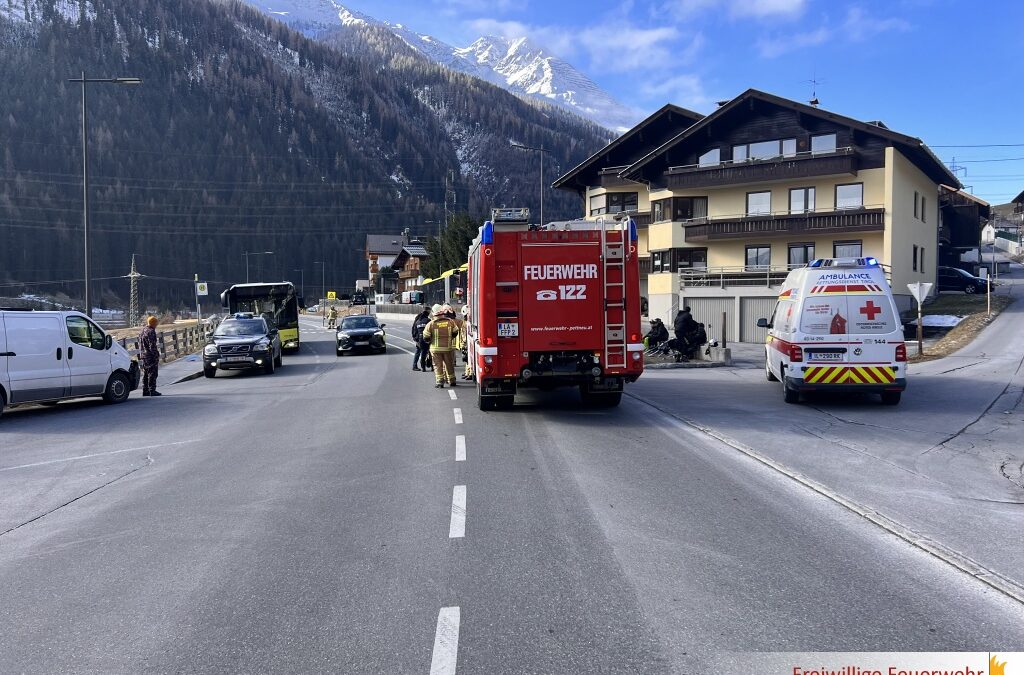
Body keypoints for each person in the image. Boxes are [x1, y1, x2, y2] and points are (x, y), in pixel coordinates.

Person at [422, 305, 460, 388]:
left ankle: (440, 382)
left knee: (437, 365)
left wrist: (430, 341)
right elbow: (456, 332)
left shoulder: (431, 324)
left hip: (435, 349)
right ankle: (452, 380)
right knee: (449, 364)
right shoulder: (450, 321)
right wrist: (450, 338)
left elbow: (425, 337)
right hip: (448, 348)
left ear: (433, 313)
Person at [139, 315, 161, 397]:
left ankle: (145, 390)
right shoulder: (151, 332)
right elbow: (152, 346)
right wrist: (156, 355)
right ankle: (152, 390)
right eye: (156, 323)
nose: (157, 325)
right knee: (152, 373)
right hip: (150, 355)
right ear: (153, 323)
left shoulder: (143, 330)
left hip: (143, 355)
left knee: (145, 373)